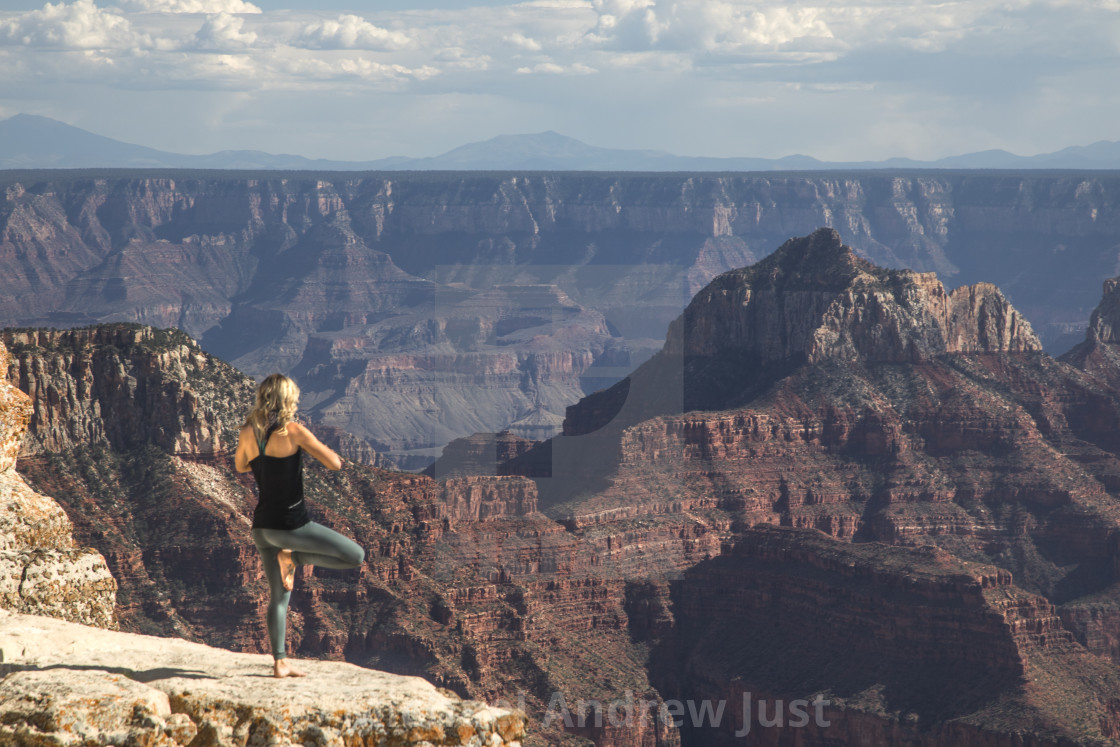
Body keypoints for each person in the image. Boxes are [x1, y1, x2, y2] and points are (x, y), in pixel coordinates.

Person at [234, 373, 365, 678]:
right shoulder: (294, 431)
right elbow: (335, 463)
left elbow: (241, 466)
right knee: (355, 555)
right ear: (287, 400)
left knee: (279, 597)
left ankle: (279, 662)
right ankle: (296, 556)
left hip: (262, 528)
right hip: (292, 526)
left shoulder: (247, 432)